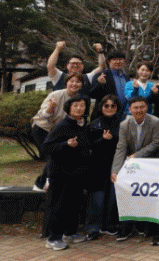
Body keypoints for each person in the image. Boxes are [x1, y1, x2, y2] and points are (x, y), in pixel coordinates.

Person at [42, 95, 92, 250]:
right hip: (60, 173)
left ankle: (69, 233)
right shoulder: (62, 125)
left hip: (76, 173)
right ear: (69, 108)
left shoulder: (82, 125)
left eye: (82, 105)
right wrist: (65, 144)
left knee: (74, 204)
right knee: (59, 205)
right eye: (75, 105)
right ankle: (53, 238)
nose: (79, 108)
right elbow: (47, 147)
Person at [111, 96, 159, 242]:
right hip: (132, 165)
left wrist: (137, 155)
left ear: (147, 108)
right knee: (128, 193)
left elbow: (156, 142)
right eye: (135, 108)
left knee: (148, 196)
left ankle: (146, 227)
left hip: (149, 164)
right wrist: (115, 170)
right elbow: (121, 148)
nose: (139, 110)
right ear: (130, 109)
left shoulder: (155, 121)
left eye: (142, 107)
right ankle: (127, 228)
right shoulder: (124, 124)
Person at [31, 72, 85, 191]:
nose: (74, 84)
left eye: (78, 82)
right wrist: (49, 110)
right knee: (53, 155)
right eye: (72, 81)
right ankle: (42, 183)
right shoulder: (55, 95)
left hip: (58, 131)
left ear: (82, 84)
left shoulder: (80, 98)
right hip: (42, 128)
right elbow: (43, 115)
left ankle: (49, 182)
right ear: (66, 83)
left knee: (61, 154)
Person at [86, 95, 121, 241]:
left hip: (116, 165)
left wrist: (114, 138)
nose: (109, 108)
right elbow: (88, 145)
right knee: (97, 197)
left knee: (113, 197)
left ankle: (109, 225)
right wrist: (102, 139)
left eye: (113, 106)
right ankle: (93, 227)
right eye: (106, 105)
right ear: (101, 107)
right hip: (98, 166)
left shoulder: (123, 123)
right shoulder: (94, 124)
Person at [90, 50, 130, 118]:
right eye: (115, 59)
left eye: (120, 59)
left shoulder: (126, 77)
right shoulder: (101, 75)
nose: (118, 62)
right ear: (109, 61)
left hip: (122, 115)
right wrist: (99, 84)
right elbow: (92, 94)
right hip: (104, 116)